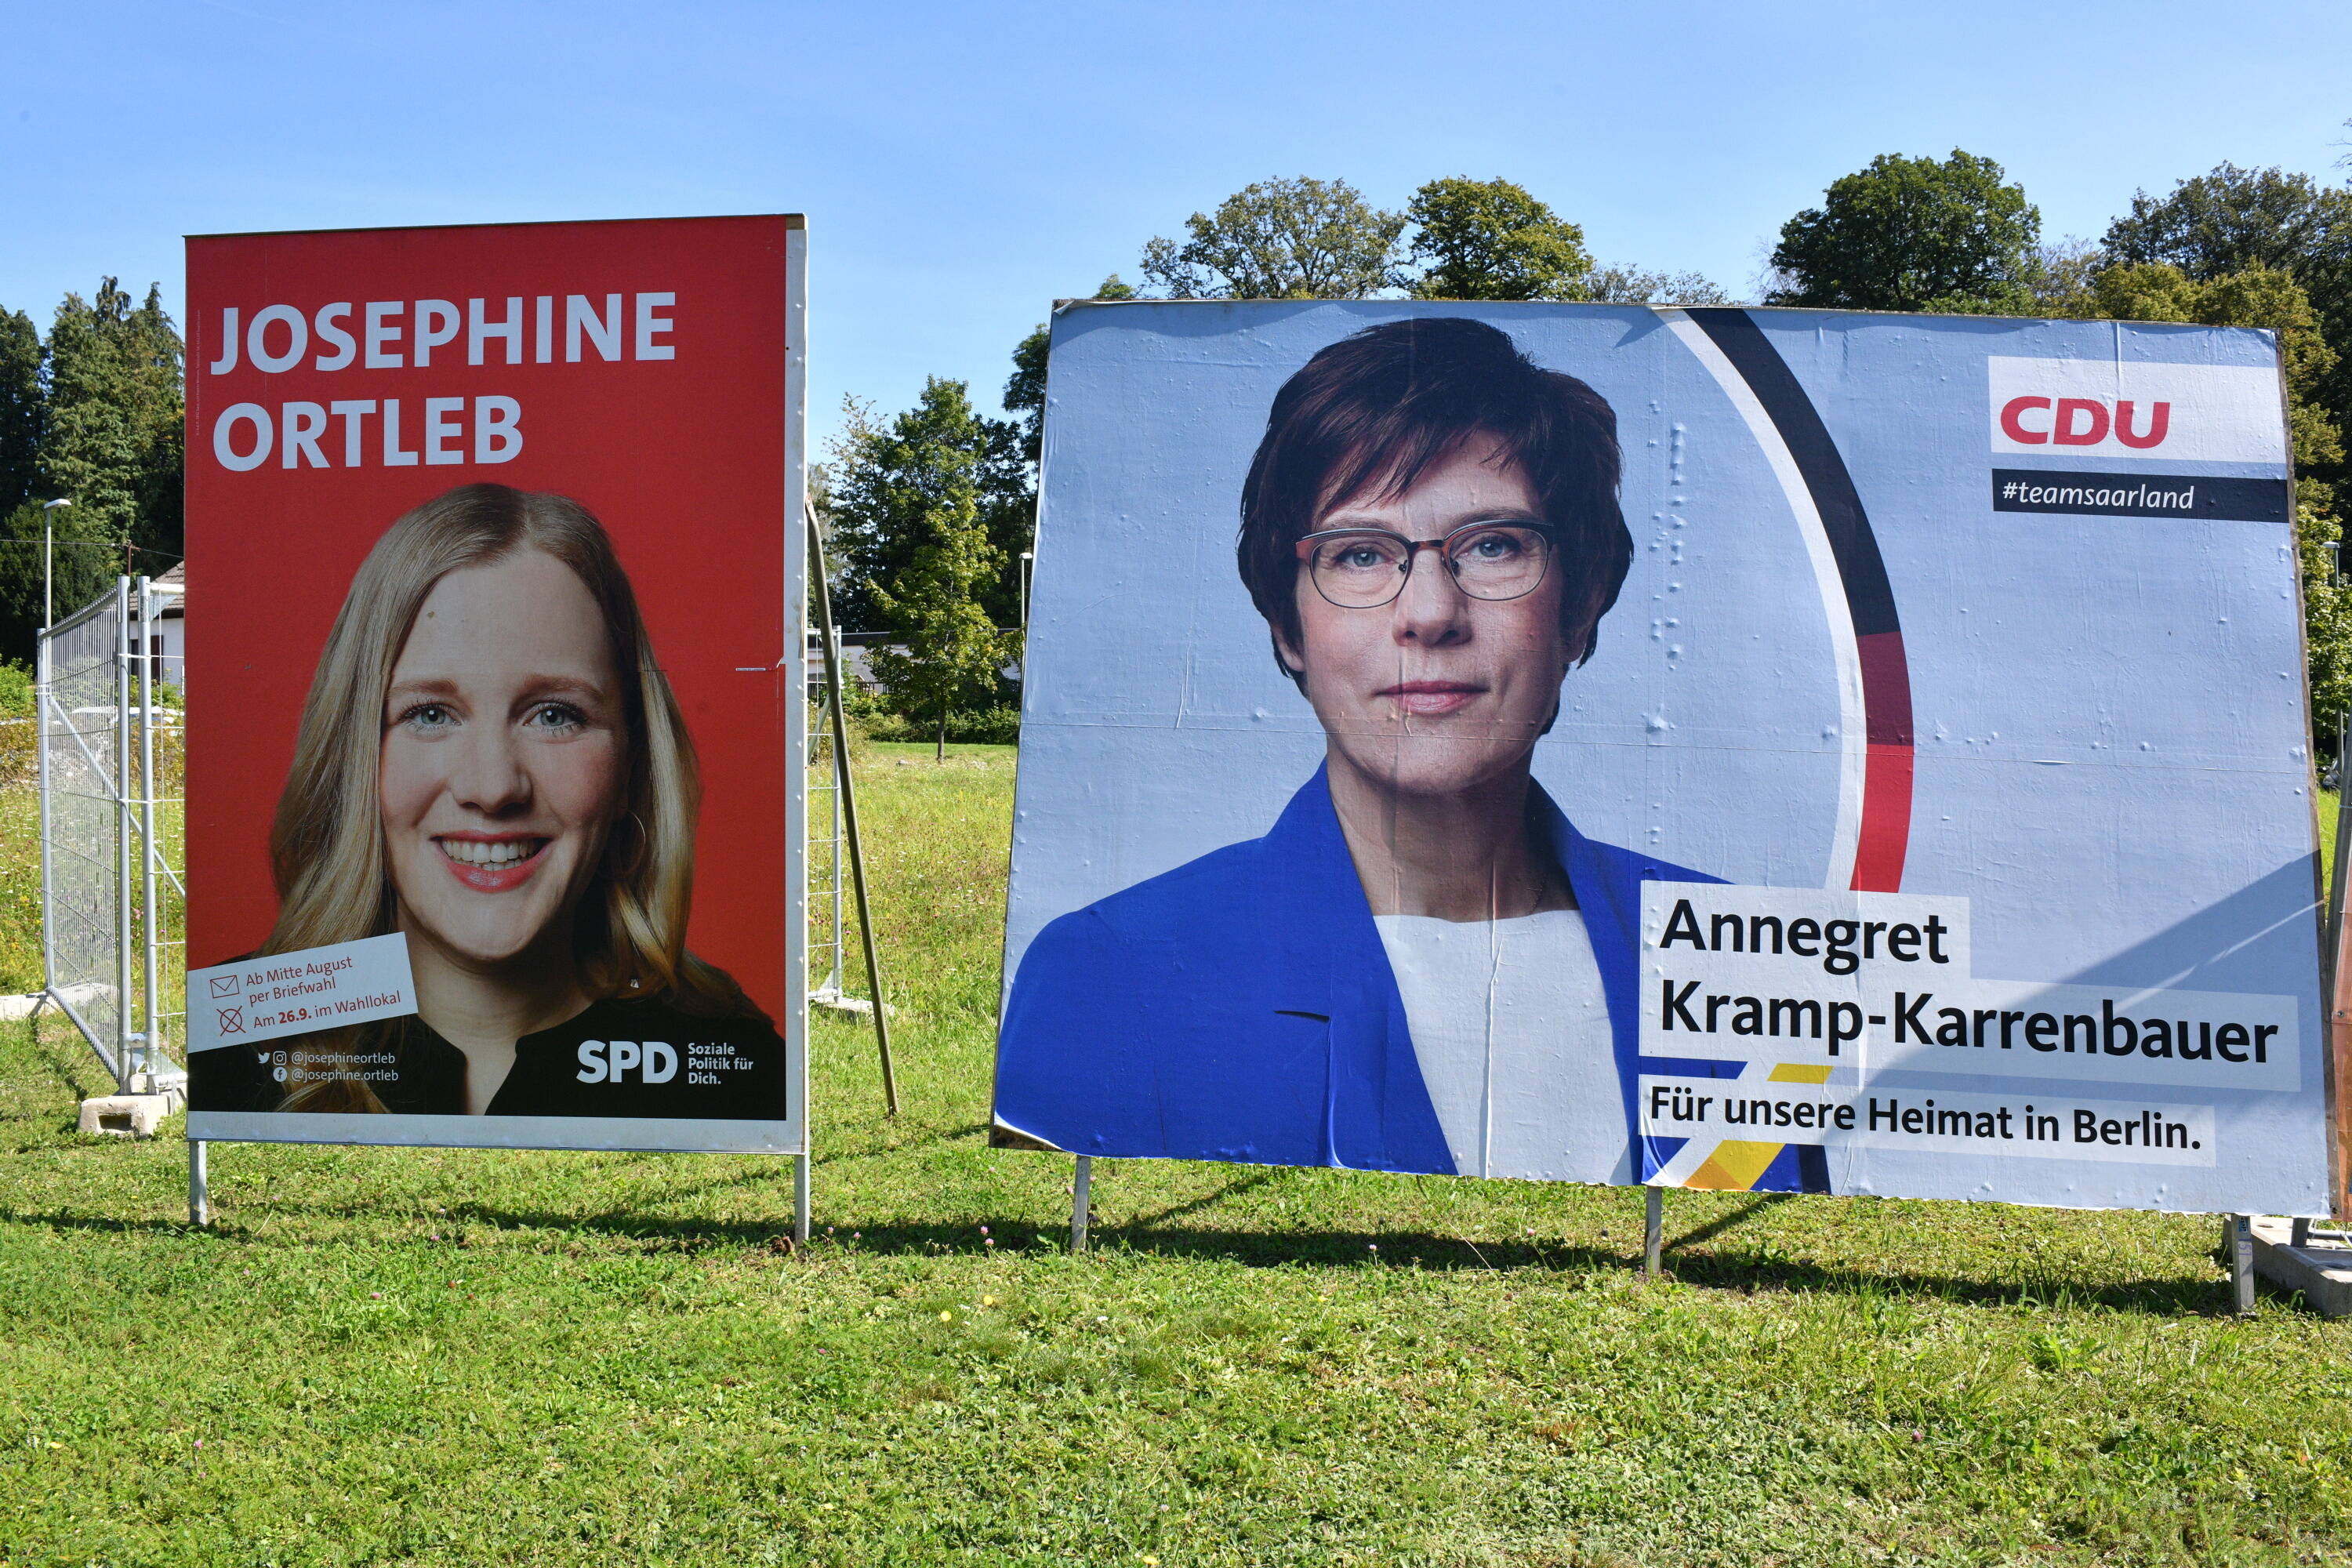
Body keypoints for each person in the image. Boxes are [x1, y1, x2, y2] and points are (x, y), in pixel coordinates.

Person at [993, 316, 1824, 1191]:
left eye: (1494, 545)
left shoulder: (1737, 960)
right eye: (1359, 553)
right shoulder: (1112, 972)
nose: (1430, 612)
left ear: (1579, 608)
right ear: (1287, 627)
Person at [190, 483, 787, 1119]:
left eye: (555, 714)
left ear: (632, 764)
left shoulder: (738, 1069)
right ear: (354, 752)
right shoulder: (233, 1036)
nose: (493, 787)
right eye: (430, 713)